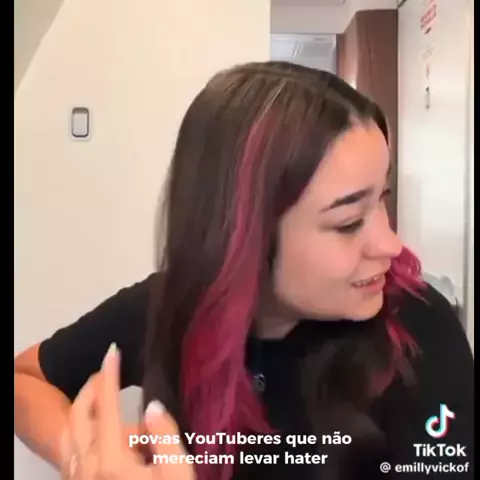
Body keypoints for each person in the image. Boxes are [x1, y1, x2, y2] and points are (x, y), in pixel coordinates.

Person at [14, 62, 474, 480]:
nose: (391, 244)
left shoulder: (418, 325)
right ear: (242, 236)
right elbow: (25, 380)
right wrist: (80, 454)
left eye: (382, 198)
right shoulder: (169, 308)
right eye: (349, 222)